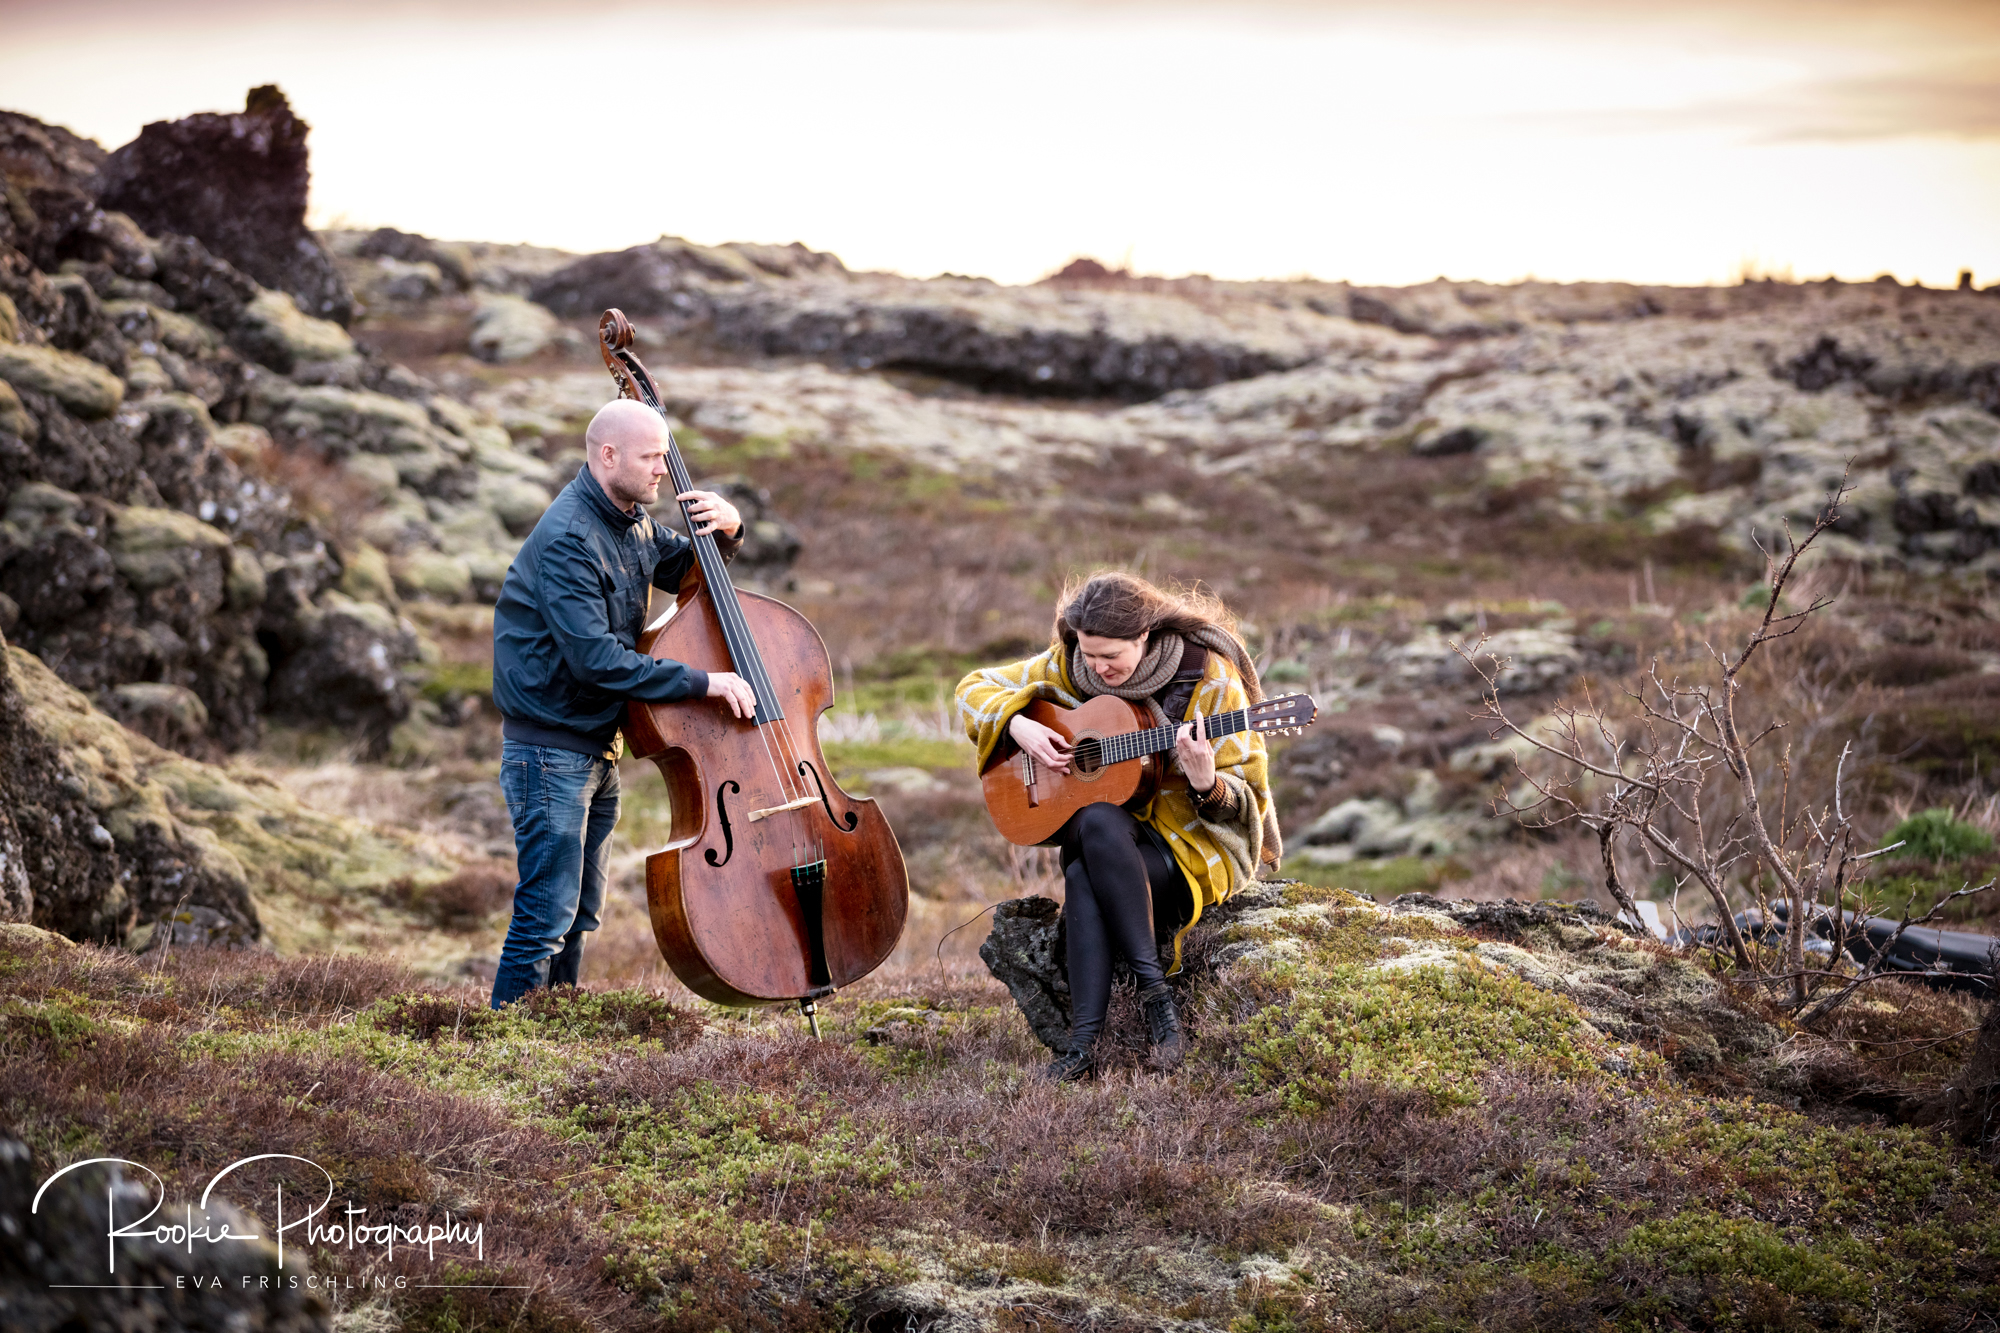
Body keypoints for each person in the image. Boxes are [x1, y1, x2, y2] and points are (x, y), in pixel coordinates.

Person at [487, 399, 759, 1008]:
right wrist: (705, 682)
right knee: (543, 917)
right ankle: (504, 1052)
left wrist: (730, 527)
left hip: (595, 747)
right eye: (652, 456)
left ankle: (553, 1036)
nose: (664, 467)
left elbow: (691, 570)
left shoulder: (630, 519)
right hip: (548, 752)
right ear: (608, 455)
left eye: (665, 454)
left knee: (580, 915)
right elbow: (596, 660)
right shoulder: (568, 538)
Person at [956, 572, 1281, 1080]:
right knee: (1097, 823)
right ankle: (1147, 1011)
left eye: (1112, 656)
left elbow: (1245, 800)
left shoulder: (1208, 675)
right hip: (1115, 840)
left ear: (1145, 636)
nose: (1098, 668)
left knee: (1086, 864)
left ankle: (1090, 1042)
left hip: (1190, 844)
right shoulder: (1069, 667)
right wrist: (1016, 722)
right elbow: (973, 688)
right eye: (1089, 655)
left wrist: (1204, 782)